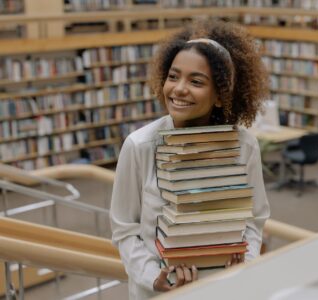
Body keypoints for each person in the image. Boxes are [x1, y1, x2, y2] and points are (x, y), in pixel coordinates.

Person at [110, 19, 270, 300]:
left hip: (224, 290)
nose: (179, 89)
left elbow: (254, 221)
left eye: (196, 81)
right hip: (160, 292)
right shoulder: (139, 146)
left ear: (220, 96)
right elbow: (125, 231)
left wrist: (246, 265)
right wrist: (153, 279)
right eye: (173, 76)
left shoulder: (245, 146)